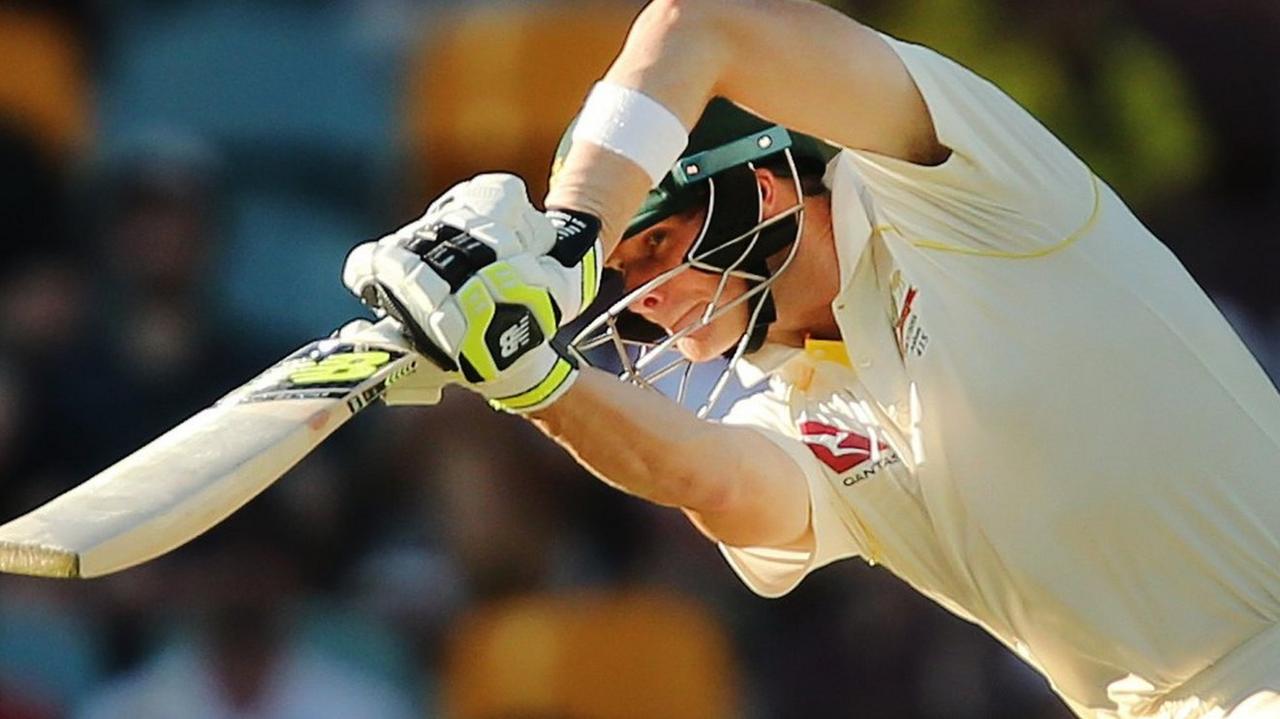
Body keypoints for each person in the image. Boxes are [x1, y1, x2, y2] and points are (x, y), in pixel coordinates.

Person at [341, 1, 1280, 716]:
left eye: (652, 247)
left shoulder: (968, 194)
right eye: (615, 276)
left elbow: (698, 22)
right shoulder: (790, 405)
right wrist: (527, 377)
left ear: (761, 186)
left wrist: (572, 230)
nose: (640, 302)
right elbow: (717, 483)